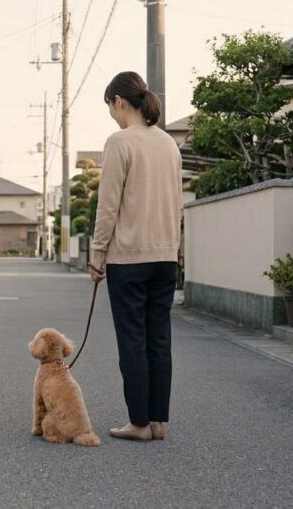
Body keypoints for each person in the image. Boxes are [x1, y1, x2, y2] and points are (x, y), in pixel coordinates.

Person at [90, 71, 183, 441]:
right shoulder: (169, 144)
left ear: (119, 102)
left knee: (132, 339)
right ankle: (157, 421)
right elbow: (176, 203)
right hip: (165, 256)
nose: (112, 114)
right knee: (159, 338)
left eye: (110, 107)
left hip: (128, 258)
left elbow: (108, 205)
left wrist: (98, 253)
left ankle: (138, 423)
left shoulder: (119, 141)